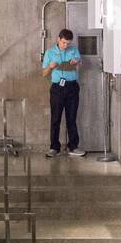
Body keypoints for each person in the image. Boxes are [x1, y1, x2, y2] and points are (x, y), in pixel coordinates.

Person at [42, 29, 86, 158]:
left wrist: (77, 62)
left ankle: (73, 146)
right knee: (55, 118)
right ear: (58, 39)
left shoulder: (73, 50)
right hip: (57, 88)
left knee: (71, 118)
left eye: (68, 43)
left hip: (72, 87)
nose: (65, 45)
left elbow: (81, 65)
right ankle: (54, 147)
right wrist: (50, 66)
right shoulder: (50, 52)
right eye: (63, 42)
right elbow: (43, 74)